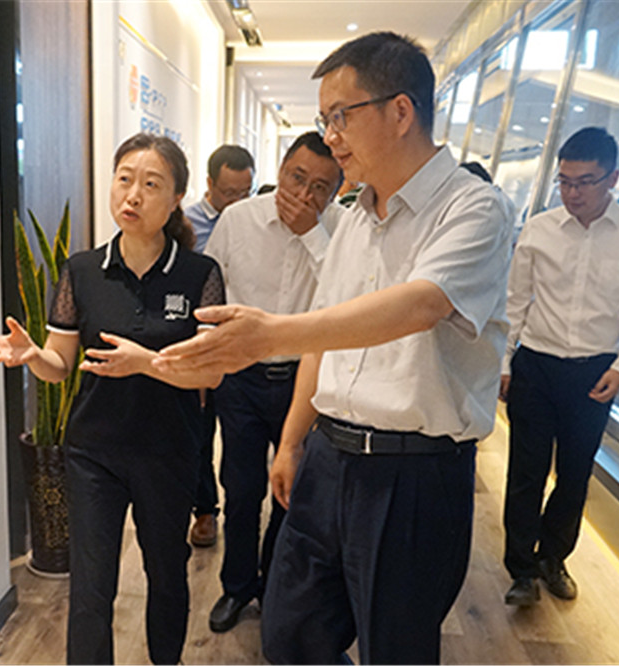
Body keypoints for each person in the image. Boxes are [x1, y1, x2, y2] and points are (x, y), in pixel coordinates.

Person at [154, 32, 512, 664]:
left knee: (394, 650)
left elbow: (419, 305)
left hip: (412, 472)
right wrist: (295, 441)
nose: (332, 136)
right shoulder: (353, 216)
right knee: (290, 635)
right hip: (329, 457)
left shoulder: (473, 208)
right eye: (325, 120)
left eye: (341, 116)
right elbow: (329, 333)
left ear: (400, 111)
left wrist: (271, 333)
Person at [0, 133, 226, 665]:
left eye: (151, 184)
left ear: (176, 198)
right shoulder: (82, 271)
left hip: (168, 451)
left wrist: (147, 363)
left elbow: (210, 374)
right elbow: (61, 364)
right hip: (94, 454)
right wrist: (32, 355)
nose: (132, 194)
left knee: (167, 575)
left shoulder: (199, 275)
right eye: (124, 179)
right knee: (90, 587)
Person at [500, 127, 619, 607]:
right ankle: (521, 570)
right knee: (526, 472)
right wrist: (504, 361)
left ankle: (553, 559)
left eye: (585, 182)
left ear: (613, 178)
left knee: (574, 474)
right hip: (536, 364)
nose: (572, 193)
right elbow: (514, 301)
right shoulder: (539, 229)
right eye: (565, 182)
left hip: (595, 371)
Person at [203, 131, 343, 633]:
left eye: (320, 187)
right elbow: (211, 290)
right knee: (241, 490)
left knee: (293, 492)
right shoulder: (238, 219)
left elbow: (347, 298)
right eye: (296, 177)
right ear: (280, 169)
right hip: (240, 378)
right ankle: (237, 587)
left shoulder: (343, 231)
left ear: (337, 191)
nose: (304, 194)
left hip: (305, 382)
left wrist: (312, 234)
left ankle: (276, 591)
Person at [183, 144, 255, 548]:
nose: (238, 201)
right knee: (200, 430)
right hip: (198, 342)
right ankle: (205, 510)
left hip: (241, 346)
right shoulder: (186, 225)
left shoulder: (255, 222)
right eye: (230, 192)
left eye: (246, 192)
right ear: (210, 184)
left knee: (239, 443)